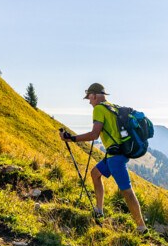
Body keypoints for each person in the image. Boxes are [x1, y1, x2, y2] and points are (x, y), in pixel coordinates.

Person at [58, 83, 148, 233]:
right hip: (118, 152)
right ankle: (99, 210)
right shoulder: (111, 107)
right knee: (95, 173)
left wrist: (71, 138)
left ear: (94, 95)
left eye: (89, 98)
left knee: (126, 191)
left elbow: (94, 134)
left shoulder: (99, 109)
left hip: (115, 157)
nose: (89, 102)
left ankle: (141, 227)